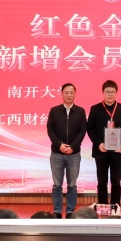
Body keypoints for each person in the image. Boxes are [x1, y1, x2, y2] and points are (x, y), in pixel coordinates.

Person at [87, 80, 121, 205]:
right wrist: (98, 143)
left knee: (116, 182)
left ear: (116, 93)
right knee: (102, 182)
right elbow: (90, 129)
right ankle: (103, 206)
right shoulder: (95, 109)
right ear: (103, 92)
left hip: (117, 151)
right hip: (101, 151)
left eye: (112, 92)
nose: (110, 94)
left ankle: (115, 207)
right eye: (107, 92)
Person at [46, 82, 87, 218]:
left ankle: (70, 211)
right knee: (57, 184)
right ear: (62, 94)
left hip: (74, 154)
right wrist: (60, 145)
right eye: (66, 92)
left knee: (72, 184)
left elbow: (82, 131)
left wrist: (73, 146)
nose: (69, 95)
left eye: (71, 92)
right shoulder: (54, 111)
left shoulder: (80, 111)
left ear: (75, 94)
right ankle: (57, 211)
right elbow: (50, 130)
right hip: (57, 153)